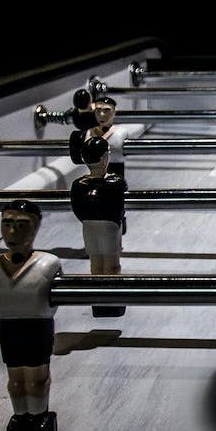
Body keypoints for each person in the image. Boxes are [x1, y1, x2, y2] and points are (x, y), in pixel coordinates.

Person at [0, 200, 64, 431]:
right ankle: (20, 416)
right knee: (16, 380)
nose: (12, 232)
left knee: (37, 378)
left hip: (35, 328)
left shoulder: (48, 264)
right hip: (10, 330)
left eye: (21, 225)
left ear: (35, 227)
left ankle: (38, 416)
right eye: (7, 224)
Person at [69, 135, 127, 318]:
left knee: (96, 264)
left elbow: (76, 208)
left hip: (89, 226)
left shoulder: (78, 185)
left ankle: (98, 299)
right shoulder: (115, 183)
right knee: (111, 265)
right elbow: (120, 206)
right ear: (104, 158)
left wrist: (88, 219)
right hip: (109, 226)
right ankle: (112, 299)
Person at [89, 95, 127, 179]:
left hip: (115, 169)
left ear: (114, 112)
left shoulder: (120, 133)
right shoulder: (90, 132)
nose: (102, 114)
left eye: (107, 110)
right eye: (98, 110)